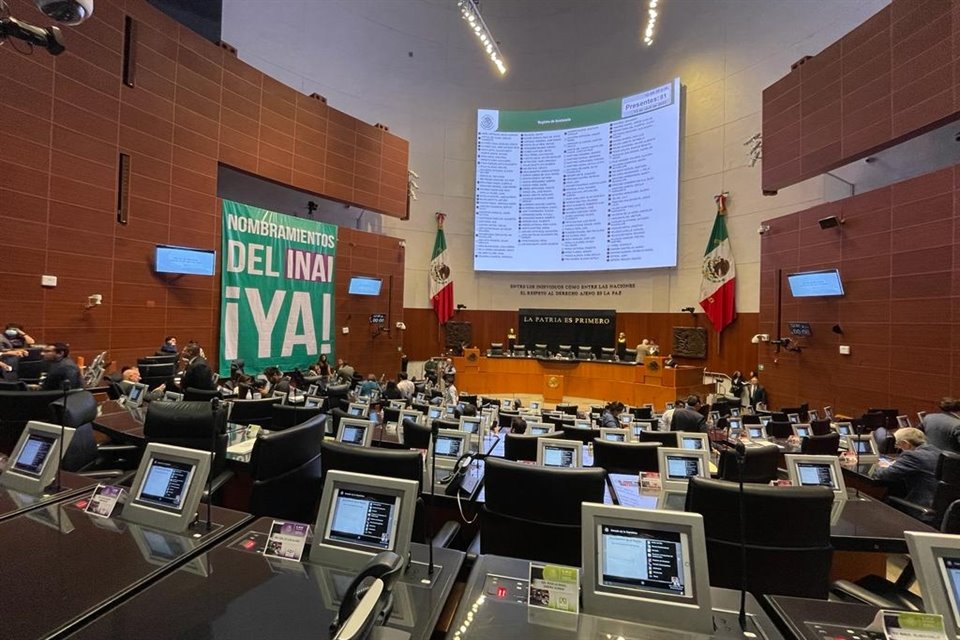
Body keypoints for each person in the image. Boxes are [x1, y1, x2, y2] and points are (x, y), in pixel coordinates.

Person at [874, 428, 941, 518]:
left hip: (921, 509)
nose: (899, 449)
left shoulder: (913, 456)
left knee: (882, 501)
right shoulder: (938, 451)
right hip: (939, 509)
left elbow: (883, 475)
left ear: (905, 444)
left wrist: (879, 466)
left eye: (898, 445)